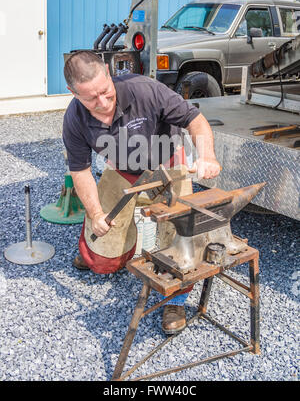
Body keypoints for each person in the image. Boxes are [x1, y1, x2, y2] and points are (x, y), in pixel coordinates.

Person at [62, 50, 221, 334]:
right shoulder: (74, 119)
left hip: (168, 165)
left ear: (109, 75)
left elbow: (195, 119)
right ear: (72, 93)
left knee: (181, 233)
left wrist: (206, 155)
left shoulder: (146, 91)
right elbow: (80, 170)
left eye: (105, 92)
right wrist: (96, 213)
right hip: (122, 170)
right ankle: (100, 254)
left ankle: (175, 299)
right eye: (90, 98)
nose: (102, 103)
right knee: (102, 241)